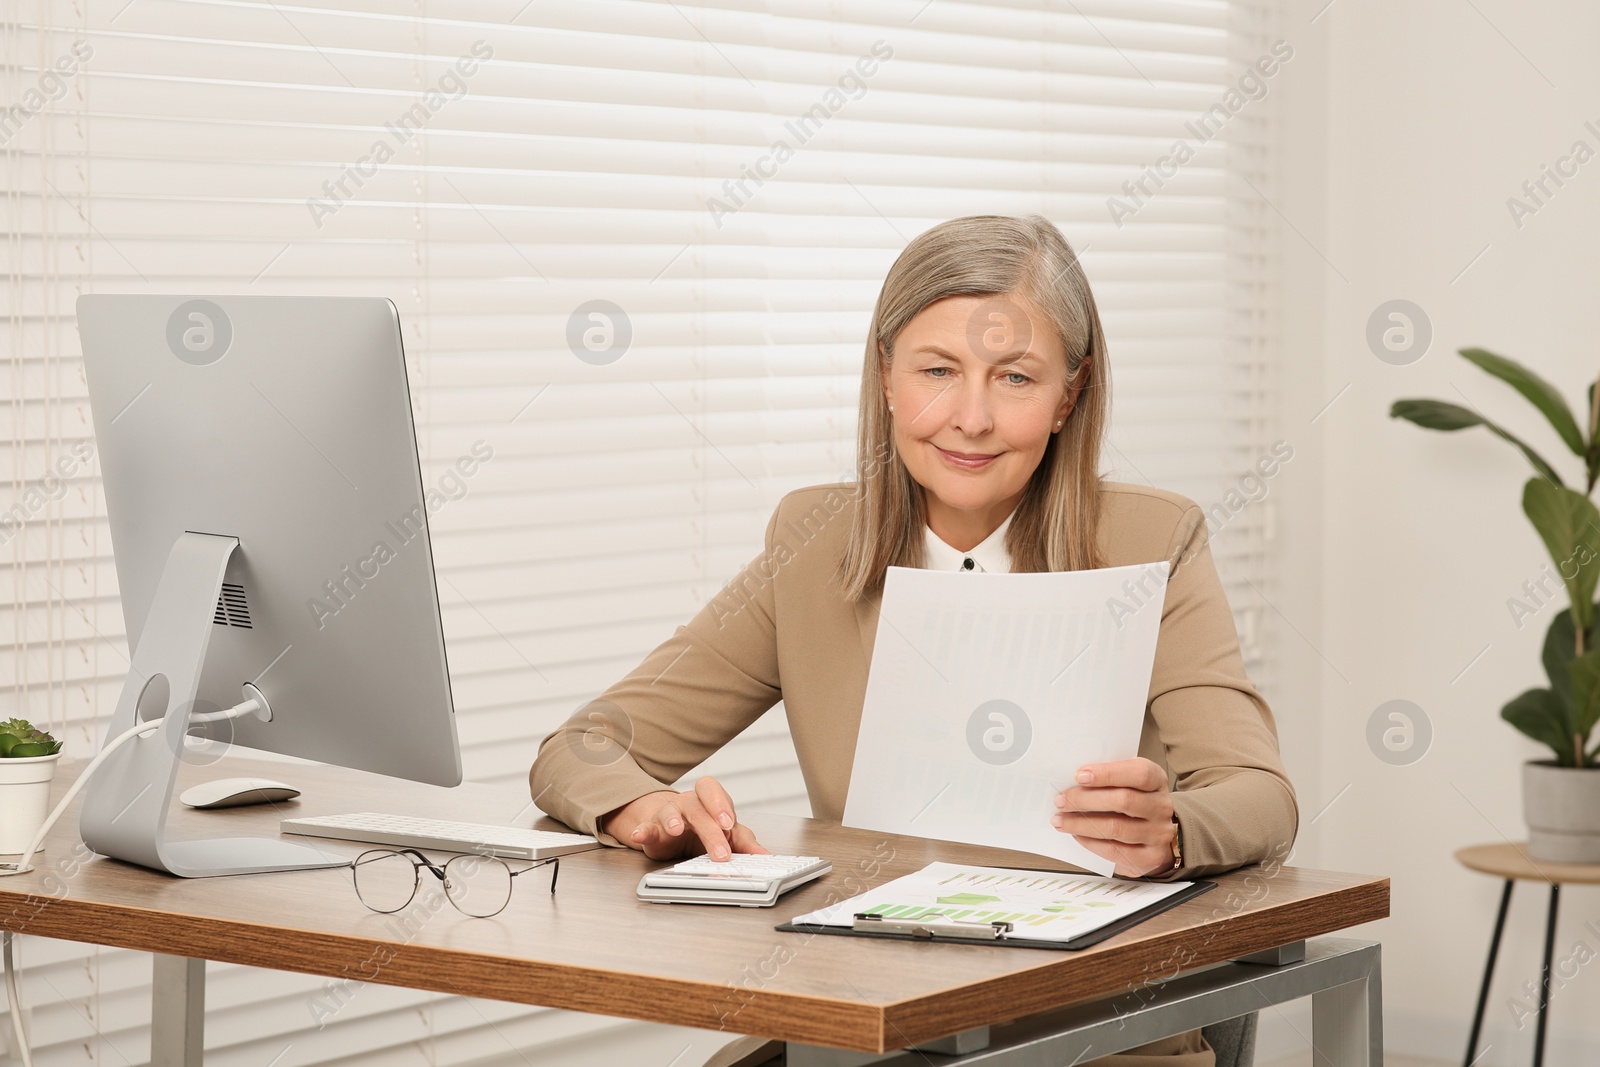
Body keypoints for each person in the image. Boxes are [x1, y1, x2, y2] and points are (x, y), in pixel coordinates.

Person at [531, 214, 1297, 1067]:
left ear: (1068, 397)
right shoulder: (814, 541)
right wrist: (642, 809)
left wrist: (1173, 829)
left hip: (1082, 1031)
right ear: (887, 375)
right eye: (938, 371)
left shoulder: (1155, 539)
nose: (970, 417)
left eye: (1014, 377)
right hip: (866, 1022)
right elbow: (584, 747)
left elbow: (1262, 797)